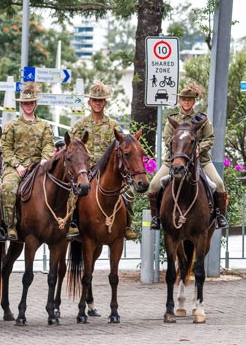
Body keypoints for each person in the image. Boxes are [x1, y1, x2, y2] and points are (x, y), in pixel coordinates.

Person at [147, 81, 228, 230]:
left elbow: (210, 138)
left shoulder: (202, 120)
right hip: (175, 160)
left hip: (200, 160)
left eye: (189, 100)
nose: (186, 102)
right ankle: (156, 217)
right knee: (153, 185)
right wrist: (179, 151)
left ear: (193, 101)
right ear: (180, 101)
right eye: (184, 99)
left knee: (218, 184)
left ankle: (220, 215)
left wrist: (199, 148)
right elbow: (166, 140)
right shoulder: (173, 120)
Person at [70, 81, 137, 240]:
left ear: (105, 103)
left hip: (108, 170)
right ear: (89, 102)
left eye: (100, 101)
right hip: (86, 169)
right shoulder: (81, 125)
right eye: (94, 100)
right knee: (72, 192)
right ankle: (72, 223)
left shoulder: (113, 125)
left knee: (129, 192)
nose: (97, 103)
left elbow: (123, 145)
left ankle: (128, 225)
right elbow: (72, 146)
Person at [1, 82, 55, 241]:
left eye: (31, 103)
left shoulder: (44, 125)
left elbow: (49, 144)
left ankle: (62, 222)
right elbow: (6, 147)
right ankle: (10, 225)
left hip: (39, 166)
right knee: (8, 188)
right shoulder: (12, 125)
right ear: (21, 105)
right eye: (25, 103)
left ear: (35, 104)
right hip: (16, 167)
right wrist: (17, 165)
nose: (28, 106)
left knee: (60, 186)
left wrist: (45, 159)